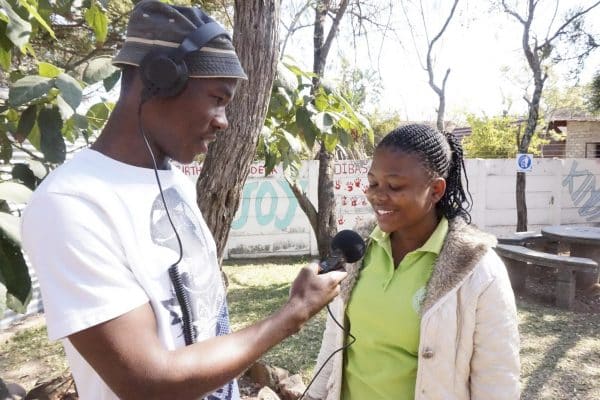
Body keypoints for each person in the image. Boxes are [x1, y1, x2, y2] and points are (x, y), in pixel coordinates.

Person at [20, 1, 346, 399]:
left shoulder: (175, 180)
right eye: (217, 98)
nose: (223, 121)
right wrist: (293, 314)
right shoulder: (71, 205)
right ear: (159, 80)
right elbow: (147, 380)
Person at [305, 124, 520, 400]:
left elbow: (497, 381)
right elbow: (334, 340)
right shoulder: (359, 250)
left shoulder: (479, 270)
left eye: (394, 186)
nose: (377, 195)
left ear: (436, 190)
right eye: (373, 183)